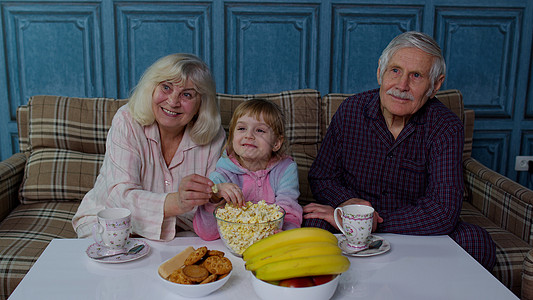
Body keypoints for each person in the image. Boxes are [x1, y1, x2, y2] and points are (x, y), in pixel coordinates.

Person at [303, 31, 496, 270]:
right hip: (349, 223)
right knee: (312, 227)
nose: (402, 85)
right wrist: (347, 207)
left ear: (435, 85)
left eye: (416, 76)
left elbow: (444, 210)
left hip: (413, 228)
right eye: (395, 70)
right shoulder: (350, 110)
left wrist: (372, 223)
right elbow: (322, 176)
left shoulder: (446, 127)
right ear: (380, 72)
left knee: (478, 241)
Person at [72, 53, 226, 241]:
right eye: (166, 87)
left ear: (201, 102)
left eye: (187, 94)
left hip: (182, 229)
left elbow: (211, 207)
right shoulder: (126, 121)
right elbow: (119, 198)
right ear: (151, 87)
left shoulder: (214, 136)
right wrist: (176, 202)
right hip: (111, 225)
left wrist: (214, 198)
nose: (173, 101)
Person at [193, 99, 303, 240]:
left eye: (260, 130)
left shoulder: (285, 169)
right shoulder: (223, 175)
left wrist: (287, 235)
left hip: (272, 242)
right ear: (232, 137)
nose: (249, 135)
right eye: (241, 128)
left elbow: (289, 211)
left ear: (276, 143)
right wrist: (214, 197)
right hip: (233, 246)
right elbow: (206, 233)